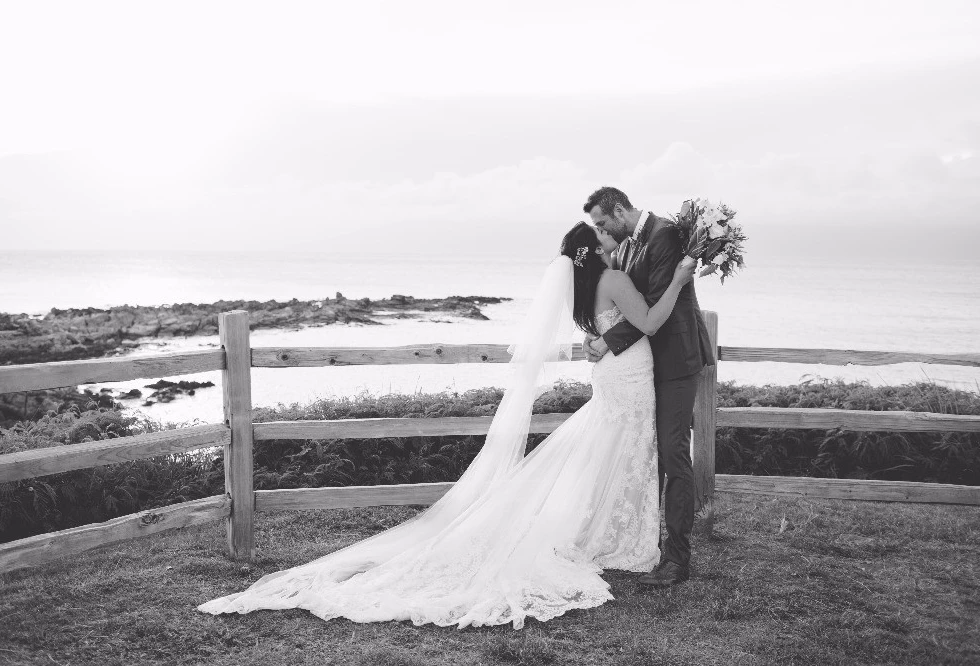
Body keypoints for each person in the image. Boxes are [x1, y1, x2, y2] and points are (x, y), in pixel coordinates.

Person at [198, 222, 696, 629]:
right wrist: (679, 277)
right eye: (605, 239)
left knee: (612, 450)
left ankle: (613, 531)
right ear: (592, 254)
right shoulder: (613, 281)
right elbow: (649, 323)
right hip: (629, 378)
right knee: (625, 449)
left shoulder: (585, 293)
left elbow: (619, 328)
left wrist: (603, 341)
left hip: (615, 374)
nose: (614, 243)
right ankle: (620, 536)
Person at [583, 186, 716, 587]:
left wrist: (608, 341)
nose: (600, 231)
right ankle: (643, 542)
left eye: (603, 222)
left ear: (620, 210)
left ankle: (678, 558)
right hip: (644, 365)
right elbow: (628, 303)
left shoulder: (665, 235)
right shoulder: (626, 246)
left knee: (674, 453)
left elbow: (657, 302)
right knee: (646, 451)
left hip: (675, 359)